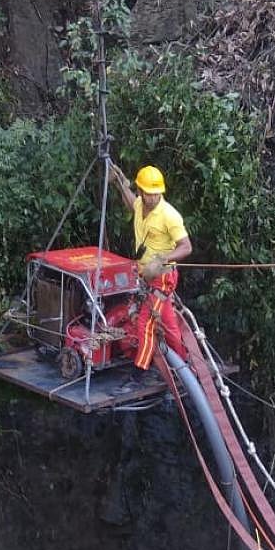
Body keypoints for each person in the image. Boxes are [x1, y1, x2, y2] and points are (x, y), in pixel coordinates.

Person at [109, 163, 192, 390]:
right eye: (149, 193)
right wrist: (119, 182)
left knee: (146, 323)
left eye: (157, 194)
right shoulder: (140, 205)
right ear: (142, 192)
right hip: (146, 276)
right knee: (168, 322)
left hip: (162, 277)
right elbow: (131, 203)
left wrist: (163, 259)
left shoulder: (169, 215)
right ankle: (183, 362)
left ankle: (139, 373)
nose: (153, 198)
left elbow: (186, 247)